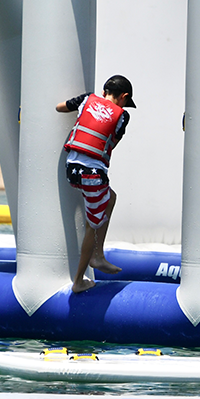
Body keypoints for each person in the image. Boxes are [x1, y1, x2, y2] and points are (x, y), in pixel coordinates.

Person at [57, 75, 136, 293]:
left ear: (103, 92)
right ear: (124, 97)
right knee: (92, 226)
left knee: (111, 198)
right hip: (92, 174)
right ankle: (81, 277)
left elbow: (60, 107)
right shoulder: (122, 116)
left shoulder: (86, 99)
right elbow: (112, 142)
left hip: (71, 168)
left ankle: (98, 254)